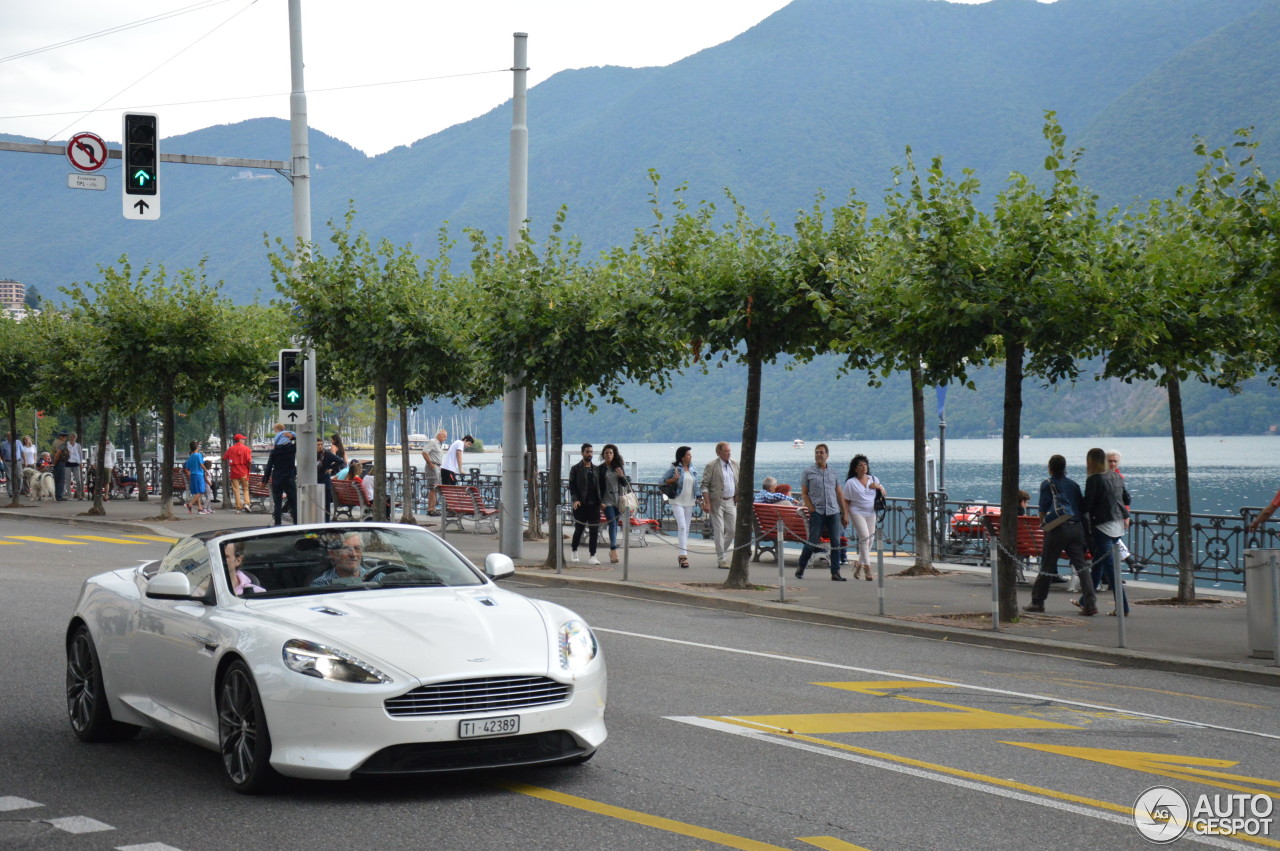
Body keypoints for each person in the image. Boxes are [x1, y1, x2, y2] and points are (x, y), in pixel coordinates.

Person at [1025, 454, 1095, 615]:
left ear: (1050, 468)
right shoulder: (1074, 485)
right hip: (1076, 528)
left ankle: (1037, 602)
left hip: (1057, 529)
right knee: (1082, 566)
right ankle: (1090, 603)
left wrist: (1044, 525)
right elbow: (1080, 508)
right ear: (1065, 468)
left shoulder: (1047, 484)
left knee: (1047, 565)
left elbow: (1043, 508)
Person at [1082, 446, 1131, 616]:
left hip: (1103, 525)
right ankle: (1086, 600)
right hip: (1118, 524)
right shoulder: (1117, 476)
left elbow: (1087, 505)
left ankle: (1123, 607)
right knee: (1099, 562)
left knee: (1109, 567)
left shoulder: (1094, 479)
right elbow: (1127, 498)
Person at [798, 443, 847, 581]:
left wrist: (844, 512)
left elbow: (838, 493)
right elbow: (804, 493)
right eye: (817, 452)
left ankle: (835, 572)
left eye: (821, 452)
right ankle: (801, 566)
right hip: (817, 511)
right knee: (812, 541)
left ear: (827, 455)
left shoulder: (834, 472)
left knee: (836, 543)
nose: (818, 455)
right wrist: (811, 509)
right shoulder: (808, 472)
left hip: (833, 512)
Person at [841, 454, 884, 581]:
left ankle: (858, 564)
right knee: (864, 537)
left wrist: (878, 486)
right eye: (860, 465)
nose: (864, 467)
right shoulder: (851, 483)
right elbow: (846, 501)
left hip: (871, 512)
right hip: (857, 512)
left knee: (870, 540)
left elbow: (884, 494)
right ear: (855, 468)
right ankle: (867, 567)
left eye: (865, 464)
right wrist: (845, 515)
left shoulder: (874, 479)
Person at [701, 441, 741, 569]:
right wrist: (707, 502)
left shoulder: (734, 464)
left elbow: (738, 481)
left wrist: (738, 494)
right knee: (719, 530)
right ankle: (721, 559)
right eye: (726, 451)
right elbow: (704, 485)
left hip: (730, 501)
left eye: (729, 451)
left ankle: (721, 551)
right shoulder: (712, 466)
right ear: (719, 452)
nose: (729, 453)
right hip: (716, 501)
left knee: (732, 530)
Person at [1106, 450, 1144, 575]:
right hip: (1105, 517)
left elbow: (1124, 499)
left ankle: (1124, 567)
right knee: (1112, 543)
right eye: (1110, 461)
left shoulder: (1119, 477)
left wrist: (1126, 516)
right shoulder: (1101, 477)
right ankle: (1128, 563)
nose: (1112, 464)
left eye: (1115, 461)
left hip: (1116, 517)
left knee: (1113, 543)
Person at [661, 446, 698, 569]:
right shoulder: (674, 468)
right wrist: (673, 479)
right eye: (688, 455)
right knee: (681, 526)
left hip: (689, 501)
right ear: (682, 457)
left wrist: (700, 498)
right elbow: (661, 481)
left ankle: (683, 552)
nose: (690, 456)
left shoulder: (692, 468)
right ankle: (683, 555)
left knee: (686, 528)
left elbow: (696, 485)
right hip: (677, 500)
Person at [568, 443, 603, 564]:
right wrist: (575, 499)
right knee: (579, 529)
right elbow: (572, 486)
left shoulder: (596, 469)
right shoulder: (575, 469)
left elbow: (600, 487)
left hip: (594, 504)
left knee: (594, 530)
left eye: (591, 452)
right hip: (581, 504)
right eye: (587, 452)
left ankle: (592, 556)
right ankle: (574, 550)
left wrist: (601, 502)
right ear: (582, 453)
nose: (590, 454)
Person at [598, 444, 629, 564]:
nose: (608, 455)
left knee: (615, 523)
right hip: (607, 499)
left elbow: (625, 484)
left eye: (611, 453)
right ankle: (614, 549)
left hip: (618, 498)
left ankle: (612, 550)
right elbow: (597, 487)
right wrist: (600, 502)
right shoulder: (600, 469)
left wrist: (622, 476)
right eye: (606, 453)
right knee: (612, 523)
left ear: (614, 454)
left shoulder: (618, 467)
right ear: (603, 455)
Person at [262, 431, 297, 526]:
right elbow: (302, 441)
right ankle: (296, 523)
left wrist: (264, 481)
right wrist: (293, 436)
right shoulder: (292, 448)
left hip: (277, 478)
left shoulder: (275, 451)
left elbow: (269, 467)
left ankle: (277, 523)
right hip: (289, 478)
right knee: (294, 502)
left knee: (277, 503)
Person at [223, 433, 253, 513]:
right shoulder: (247, 449)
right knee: (245, 489)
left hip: (234, 472)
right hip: (244, 472)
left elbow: (224, 458)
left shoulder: (231, 449)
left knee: (236, 490)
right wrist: (248, 467)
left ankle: (238, 507)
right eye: (243, 439)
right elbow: (249, 461)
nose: (244, 440)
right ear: (239, 440)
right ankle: (246, 503)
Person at [420, 428, 446, 515]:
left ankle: (433, 508)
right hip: (433, 466)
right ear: (439, 435)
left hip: (437, 467)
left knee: (436, 488)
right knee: (433, 488)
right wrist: (430, 464)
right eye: (444, 436)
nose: (445, 438)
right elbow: (424, 452)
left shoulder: (439, 444)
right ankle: (430, 509)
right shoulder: (433, 442)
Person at [317, 438, 343, 521]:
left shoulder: (327, 454)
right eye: (318, 445)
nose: (320, 446)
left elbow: (340, 461)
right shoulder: (312, 454)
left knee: (326, 503)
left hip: (325, 480)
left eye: (321, 444)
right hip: (315, 480)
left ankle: (327, 521)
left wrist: (330, 467)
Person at [184, 440, 209, 514]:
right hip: (199, 474)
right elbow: (201, 464)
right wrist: (206, 471)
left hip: (193, 475)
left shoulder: (190, 457)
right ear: (197, 447)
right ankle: (190, 504)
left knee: (196, 492)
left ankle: (199, 508)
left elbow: (187, 468)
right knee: (201, 491)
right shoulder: (198, 455)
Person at [65, 432, 85, 499]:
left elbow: (80, 454)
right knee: (68, 479)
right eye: (71, 437)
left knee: (78, 479)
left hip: (76, 463)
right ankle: (69, 494)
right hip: (68, 463)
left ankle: (79, 494)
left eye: (73, 437)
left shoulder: (78, 445)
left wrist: (81, 462)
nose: (72, 439)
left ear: (75, 438)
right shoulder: (66, 444)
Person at [51, 432, 69, 501]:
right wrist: (54, 463)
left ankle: (56, 495)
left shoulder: (55, 441)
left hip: (57, 462)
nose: (64, 437)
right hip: (59, 462)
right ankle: (59, 496)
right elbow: (58, 454)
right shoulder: (62, 444)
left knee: (56, 479)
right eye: (64, 436)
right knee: (60, 479)